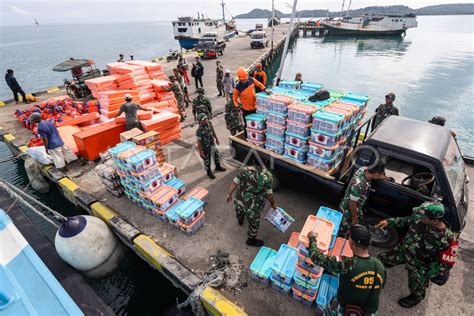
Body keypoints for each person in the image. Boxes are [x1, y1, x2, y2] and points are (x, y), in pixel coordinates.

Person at [376, 202, 457, 308]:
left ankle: (415, 298)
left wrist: (422, 272)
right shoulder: (420, 218)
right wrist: (389, 222)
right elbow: (406, 220)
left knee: (417, 285)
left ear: (435, 221)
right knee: (380, 260)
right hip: (403, 251)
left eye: (422, 216)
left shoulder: (448, 239)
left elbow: (446, 264)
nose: (418, 217)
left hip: (419, 265)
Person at [308, 225, 386, 315]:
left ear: (351, 243)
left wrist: (312, 238)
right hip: (371, 312)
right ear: (369, 242)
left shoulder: (347, 263)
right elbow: (381, 285)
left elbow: (316, 257)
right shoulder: (380, 264)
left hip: (345, 308)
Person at [226, 157, 276, 247]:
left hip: (240, 199)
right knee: (254, 222)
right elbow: (269, 193)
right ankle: (251, 239)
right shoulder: (267, 176)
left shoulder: (244, 170)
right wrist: (273, 203)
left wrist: (229, 194)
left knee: (239, 210)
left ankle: (240, 219)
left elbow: (235, 183)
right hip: (254, 205)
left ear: (253, 162)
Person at [339, 163, 388, 235]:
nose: (382, 176)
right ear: (376, 174)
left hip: (357, 207)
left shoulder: (364, 169)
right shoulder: (358, 184)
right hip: (348, 210)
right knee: (346, 230)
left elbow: (378, 176)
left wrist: (385, 178)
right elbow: (352, 203)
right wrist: (355, 219)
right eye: (381, 174)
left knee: (359, 225)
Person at [196, 113, 226, 179]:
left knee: (215, 155)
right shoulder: (199, 130)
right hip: (205, 147)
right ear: (200, 121)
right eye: (204, 119)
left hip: (212, 144)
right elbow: (199, 142)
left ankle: (218, 166)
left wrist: (216, 139)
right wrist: (200, 152)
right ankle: (209, 172)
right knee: (207, 160)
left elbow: (212, 131)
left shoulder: (209, 123)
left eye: (206, 118)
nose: (206, 120)